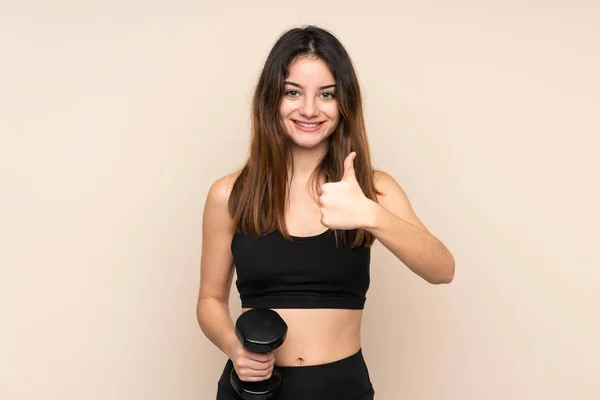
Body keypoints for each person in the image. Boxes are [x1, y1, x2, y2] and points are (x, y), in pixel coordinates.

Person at [197, 25, 455, 400]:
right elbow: (209, 300)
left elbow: (442, 269)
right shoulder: (230, 194)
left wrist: (369, 214)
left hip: (342, 389)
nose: (309, 109)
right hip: (253, 391)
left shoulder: (373, 188)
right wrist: (232, 347)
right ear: (272, 99)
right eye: (293, 92)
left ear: (343, 102)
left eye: (327, 95)